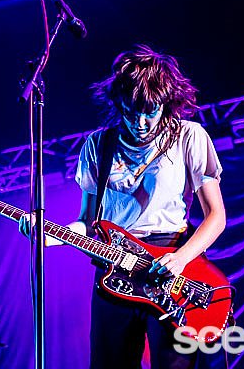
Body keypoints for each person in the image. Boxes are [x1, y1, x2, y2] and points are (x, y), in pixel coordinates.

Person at [20, 44, 227, 368]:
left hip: (169, 261)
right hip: (113, 264)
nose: (140, 122)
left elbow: (216, 216)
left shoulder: (189, 137)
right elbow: (87, 222)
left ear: (167, 102)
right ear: (119, 104)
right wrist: (49, 236)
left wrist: (181, 258)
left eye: (150, 111)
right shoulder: (98, 145)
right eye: (131, 112)